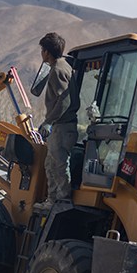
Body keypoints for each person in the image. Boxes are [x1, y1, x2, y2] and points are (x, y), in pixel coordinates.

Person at [37, 32, 77, 205]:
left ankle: (62, 200)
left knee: (58, 164)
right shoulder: (65, 66)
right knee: (50, 164)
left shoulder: (57, 70)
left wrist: (49, 121)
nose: (41, 53)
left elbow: (64, 100)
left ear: (47, 52)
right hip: (62, 126)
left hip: (61, 127)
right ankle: (52, 199)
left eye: (42, 50)